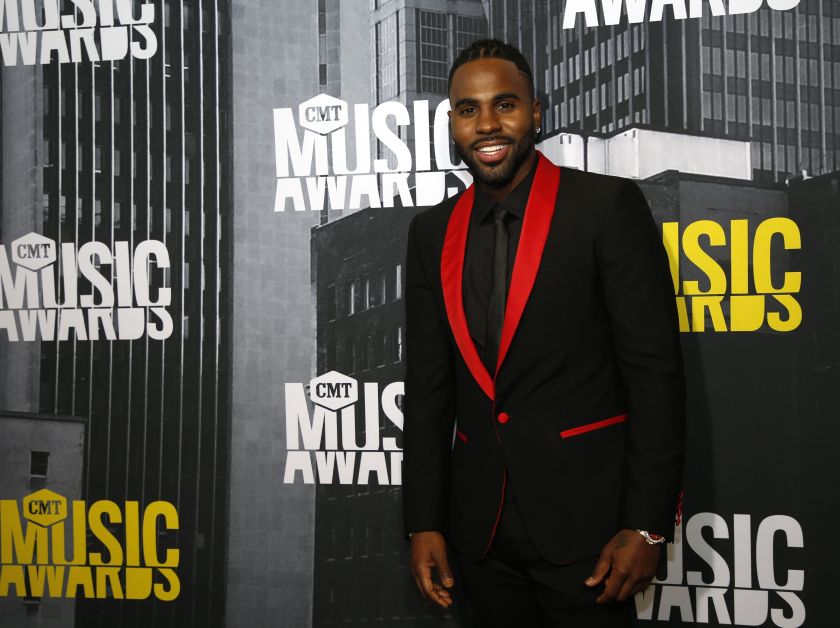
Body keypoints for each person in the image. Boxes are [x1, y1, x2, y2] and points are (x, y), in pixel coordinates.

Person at [401, 39, 685, 627]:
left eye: (504, 104)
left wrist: (648, 526)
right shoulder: (431, 233)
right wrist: (424, 520)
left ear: (536, 111)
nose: (487, 124)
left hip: (590, 536)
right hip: (478, 540)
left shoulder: (605, 207)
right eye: (467, 109)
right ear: (452, 122)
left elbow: (653, 375)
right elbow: (429, 390)